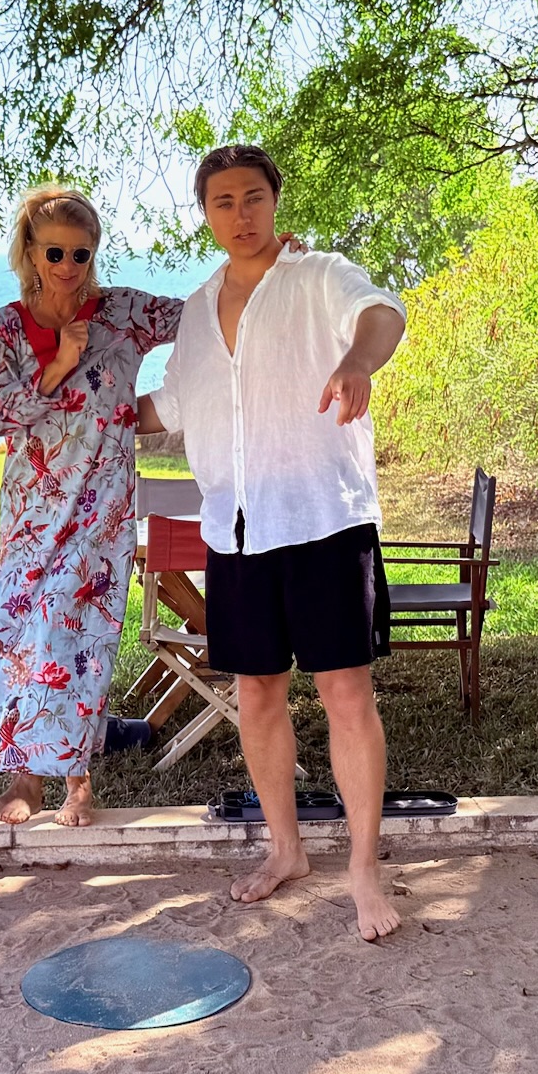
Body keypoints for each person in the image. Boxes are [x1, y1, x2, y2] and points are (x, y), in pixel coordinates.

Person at [136, 146, 408, 941]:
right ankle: (285, 849)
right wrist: (82, 413)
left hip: (324, 519)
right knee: (256, 694)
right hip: (237, 529)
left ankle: (364, 869)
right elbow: (171, 408)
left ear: (275, 200)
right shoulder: (196, 308)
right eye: (223, 202)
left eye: (253, 197)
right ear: (206, 213)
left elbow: (382, 313)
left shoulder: (319, 274)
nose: (241, 215)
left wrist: (358, 361)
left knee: (346, 695)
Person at [0, 185, 184, 825]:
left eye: (82, 254)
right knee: (14, 636)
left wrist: (270, 270)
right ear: (31, 252)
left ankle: (70, 781)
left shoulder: (123, 314)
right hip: (31, 512)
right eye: (55, 252)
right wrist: (62, 362)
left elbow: (208, 316)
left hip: (101, 510)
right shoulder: (4, 329)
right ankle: (26, 773)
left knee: (80, 636)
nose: (68, 266)